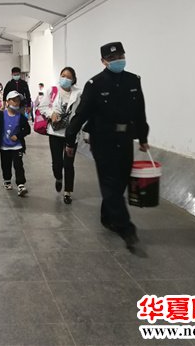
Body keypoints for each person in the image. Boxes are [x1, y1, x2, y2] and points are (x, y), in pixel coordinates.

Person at [65, 42, 149, 249]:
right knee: (110, 182)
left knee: (121, 181)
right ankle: (125, 227)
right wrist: (70, 139)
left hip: (125, 138)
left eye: (120, 56)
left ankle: (107, 216)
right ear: (103, 61)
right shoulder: (95, 84)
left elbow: (140, 111)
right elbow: (81, 114)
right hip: (103, 140)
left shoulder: (133, 80)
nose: (117, 60)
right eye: (112, 58)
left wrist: (143, 137)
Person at [38, 68, 82, 205]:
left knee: (69, 164)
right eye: (63, 75)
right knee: (57, 163)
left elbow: (81, 113)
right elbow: (42, 107)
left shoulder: (79, 93)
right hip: (55, 133)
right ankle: (58, 177)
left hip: (71, 134)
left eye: (68, 77)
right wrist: (51, 114)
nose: (65, 79)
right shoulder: (52, 91)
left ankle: (68, 191)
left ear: (73, 79)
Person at [0, 91, 31, 197]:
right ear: (8, 102)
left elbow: (27, 130)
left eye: (18, 101)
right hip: (4, 146)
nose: (16, 103)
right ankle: (7, 180)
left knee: (18, 165)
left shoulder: (21, 117)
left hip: (17, 146)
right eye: (13, 100)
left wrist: (18, 136)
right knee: (6, 165)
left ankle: (21, 184)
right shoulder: (1, 116)